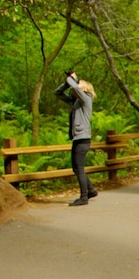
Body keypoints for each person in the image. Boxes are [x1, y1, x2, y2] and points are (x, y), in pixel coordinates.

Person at [54, 69, 98, 206]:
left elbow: (75, 86)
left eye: (79, 85)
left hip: (83, 139)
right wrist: (67, 83)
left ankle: (84, 197)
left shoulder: (86, 98)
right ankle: (90, 191)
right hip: (78, 138)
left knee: (79, 168)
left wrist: (74, 78)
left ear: (84, 89)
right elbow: (57, 93)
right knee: (76, 168)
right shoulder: (76, 102)